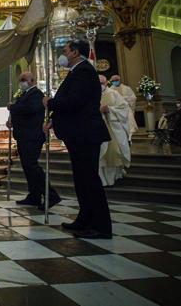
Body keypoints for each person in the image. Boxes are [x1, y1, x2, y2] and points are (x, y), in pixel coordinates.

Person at [43, 40, 112, 239]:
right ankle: (85, 219)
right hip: (79, 132)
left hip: (85, 133)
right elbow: (74, 105)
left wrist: (51, 102)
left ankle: (101, 227)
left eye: (65, 50)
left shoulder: (83, 71)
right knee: (81, 180)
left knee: (89, 180)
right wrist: (54, 121)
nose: (62, 54)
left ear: (74, 52)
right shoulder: (77, 71)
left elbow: (74, 101)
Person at [7, 71, 60, 210]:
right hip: (24, 135)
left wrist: (12, 107)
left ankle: (51, 195)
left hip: (32, 136)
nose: (21, 82)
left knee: (31, 166)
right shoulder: (25, 94)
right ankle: (34, 195)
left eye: (23, 79)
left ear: (32, 80)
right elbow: (21, 112)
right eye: (20, 80)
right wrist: (13, 121)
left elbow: (29, 109)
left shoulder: (36, 94)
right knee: (27, 167)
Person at [98, 75, 131, 187]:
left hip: (113, 128)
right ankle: (102, 180)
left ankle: (114, 177)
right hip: (98, 127)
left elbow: (124, 108)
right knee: (100, 155)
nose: (100, 86)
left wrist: (109, 110)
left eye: (102, 83)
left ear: (106, 83)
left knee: (114, 153)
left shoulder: (114, 94)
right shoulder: (92, 95)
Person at [110, 74, 138, 141]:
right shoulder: (110, 90)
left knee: (129, 125)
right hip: (116, 111)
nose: (115, 81)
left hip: (126, 110)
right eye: (113, 80)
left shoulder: (127, 88)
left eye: (116, 80)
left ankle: (129, 138)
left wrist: (124, 98)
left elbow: (133, 98)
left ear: (120, 80)